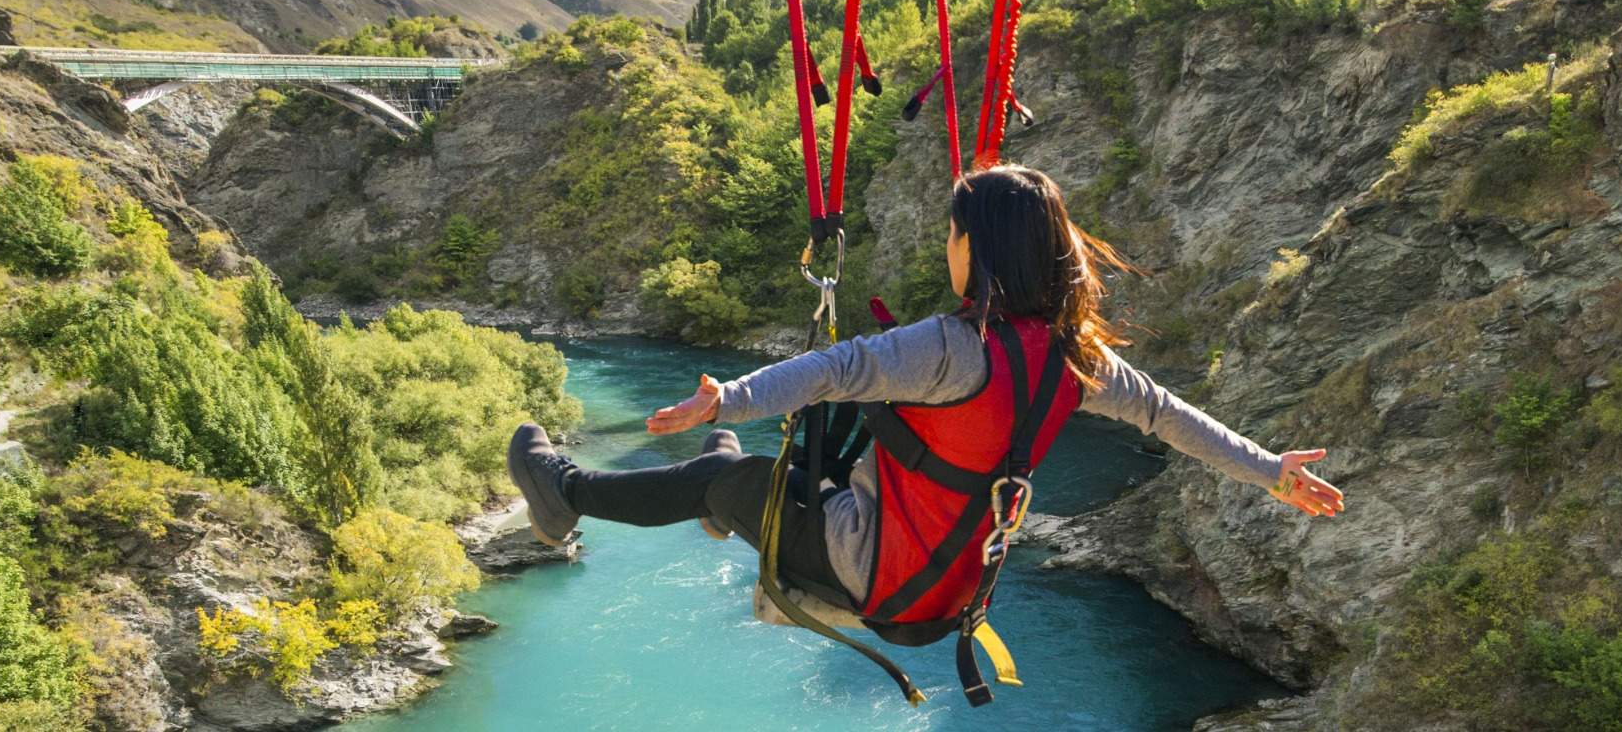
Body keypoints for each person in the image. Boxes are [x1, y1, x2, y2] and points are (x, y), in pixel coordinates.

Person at [503, 164, 1345, 637]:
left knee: (722, 479)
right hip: (942, 602)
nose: (947, 248)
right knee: (739, 473)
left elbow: (837, 368)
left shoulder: (949, 349)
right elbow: (1170, 417)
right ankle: (724, 480)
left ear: (976, 247)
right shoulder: (1076, 360)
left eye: (952, 233)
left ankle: (562, 495)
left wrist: (727, 396)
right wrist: (1270, 470)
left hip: (873, 571)